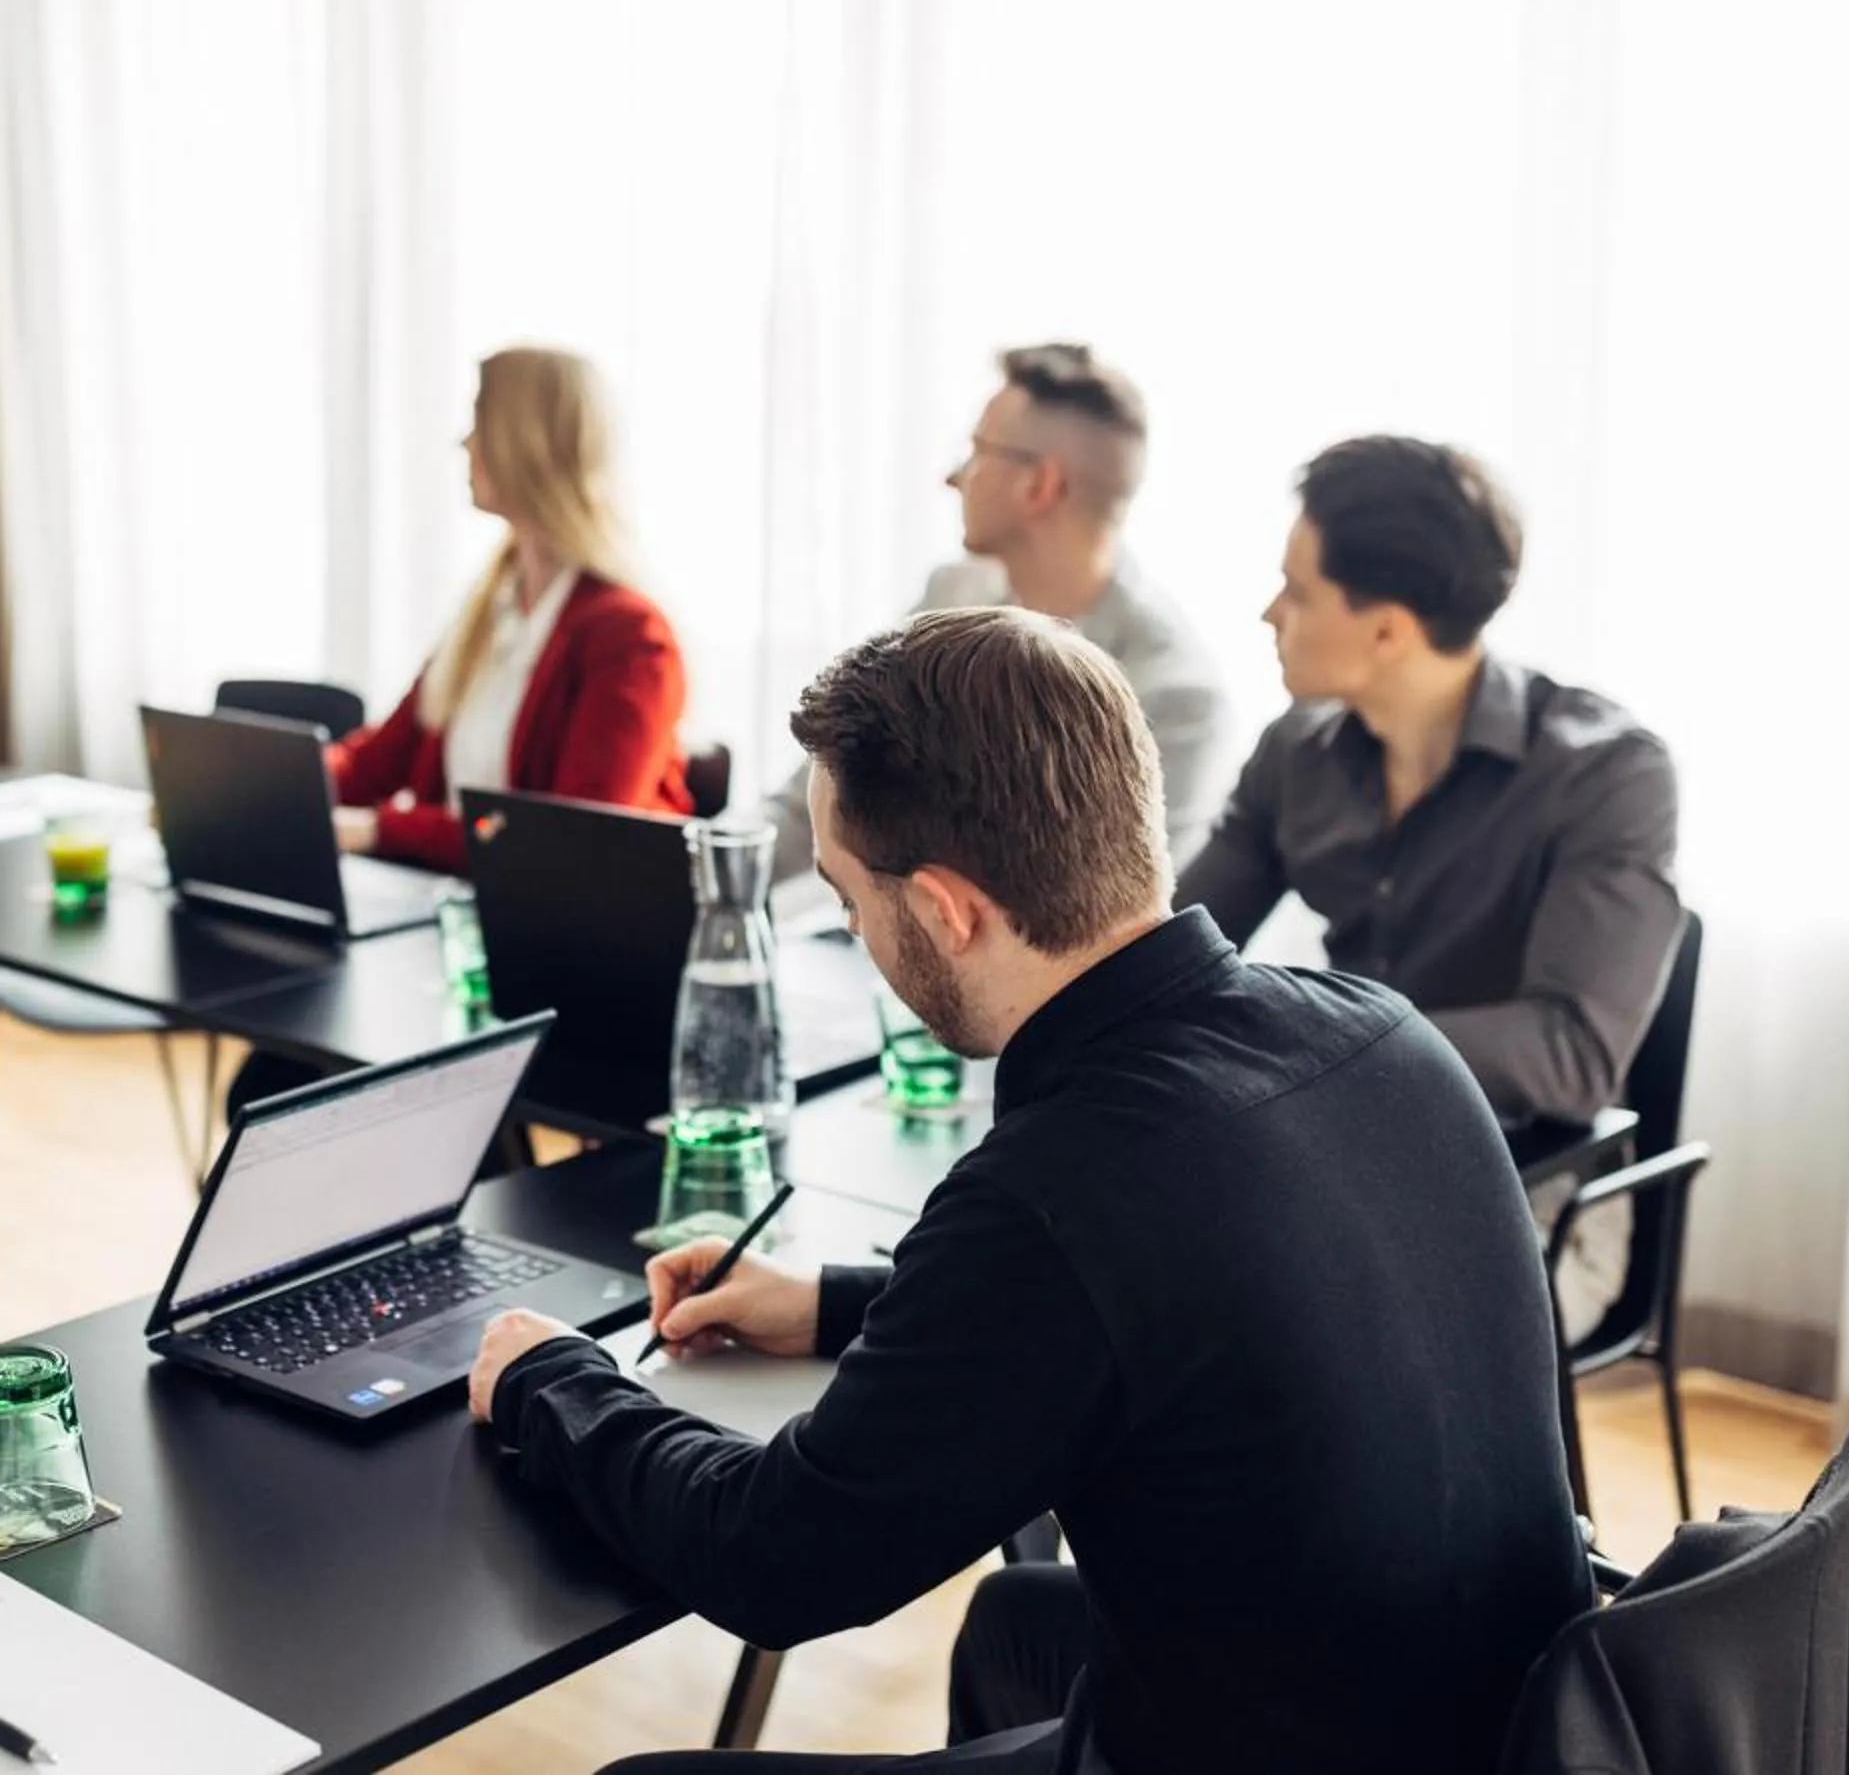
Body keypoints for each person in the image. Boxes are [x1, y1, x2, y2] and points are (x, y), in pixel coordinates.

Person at [468, 608, 1592, 1774]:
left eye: (852, 899)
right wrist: (837, 1303)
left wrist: (559, 1381)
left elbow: (778, 1560)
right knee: (1021, 1624)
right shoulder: (1381, 1031)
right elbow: (1175, 1315)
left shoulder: (1061, 1186)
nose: (855, 930)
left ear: (948, 910)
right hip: (1506, 1727)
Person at [1173, 435, 1683, 1336]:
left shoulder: (1606, 775)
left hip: (1530, 1188)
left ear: (1388, 628)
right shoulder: (1296, 753)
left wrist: (1320, 1051)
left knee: (1265, 1321)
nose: (1267, 614)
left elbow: (1572, 1055)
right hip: (1328, 1153)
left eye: (1297, 591)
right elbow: (1172, 944)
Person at [766, 343, 1225, 877]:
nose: (954, 477)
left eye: (979, 451)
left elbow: (1123, 907)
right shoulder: (947, 599)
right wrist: (702, 870)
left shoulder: (1176, 695)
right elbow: (820, 794)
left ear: (1040, 484)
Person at [326, 345, 694, 871]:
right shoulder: (491, 610)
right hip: (454, 914)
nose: (465, 442)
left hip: (564, 937)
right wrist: (263, 788)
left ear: (528, 444)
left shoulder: (631, 638)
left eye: (480, 419)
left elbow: (568, 840)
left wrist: (381, 828)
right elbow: (373, 767)